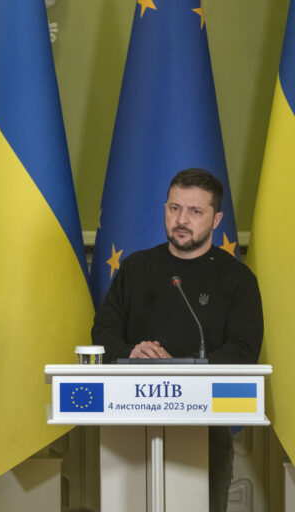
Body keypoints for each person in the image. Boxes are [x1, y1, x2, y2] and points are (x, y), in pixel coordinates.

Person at [91, 168, 263, 512]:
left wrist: (184, 368)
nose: (181, 220)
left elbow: (243, 350)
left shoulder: (238, 279)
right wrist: (131, 352)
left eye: (194, 211)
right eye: (174, 208)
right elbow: (103, 331)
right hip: (128, 424)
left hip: (205, 431)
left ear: (216, 220)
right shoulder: (136, 268)